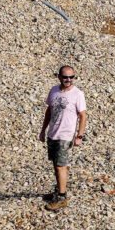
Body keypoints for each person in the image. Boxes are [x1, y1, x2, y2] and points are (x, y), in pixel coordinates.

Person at [41, 65, 87, 207]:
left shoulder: (78, 94)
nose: (68, 80)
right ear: (59, 77)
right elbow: (49, 110)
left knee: (61, 166)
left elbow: (83, 115)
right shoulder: (54, 90)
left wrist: (79, 136)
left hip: (66, 135)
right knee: (56, 164)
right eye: (66, 77)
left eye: (71, 77)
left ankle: (61, 198)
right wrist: (43, 130)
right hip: (53, 133)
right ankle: (59, 191)